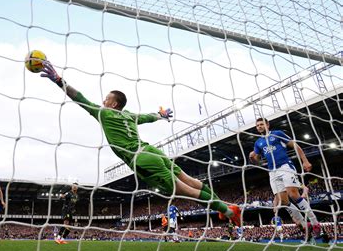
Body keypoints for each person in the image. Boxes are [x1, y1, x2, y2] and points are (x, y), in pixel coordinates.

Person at [40, 61, 241, 226]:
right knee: (189, 179)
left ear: (114, 104)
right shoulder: (129, 115)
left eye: (107, 98)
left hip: (141, 159)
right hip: (153, 150)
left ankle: (229, 213)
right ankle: (224, 206)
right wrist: (161, 115)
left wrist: (59, 80)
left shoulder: (104, 113)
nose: (103, 100)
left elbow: (80, 98)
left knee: (186, 191)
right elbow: (148, 117)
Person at [249, 118, 321, 238]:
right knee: (284, 202)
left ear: (267, 125)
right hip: (272, 172)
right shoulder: (258, 143)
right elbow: (258, 163)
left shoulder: (277, 134)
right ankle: (304, 224)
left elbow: (295, 145)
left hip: (285, 166)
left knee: (293, 194)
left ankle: (315, 223)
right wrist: (252, 158)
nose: (259, 126)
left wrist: (305, 161)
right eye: (257, 125)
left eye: (261, 124)